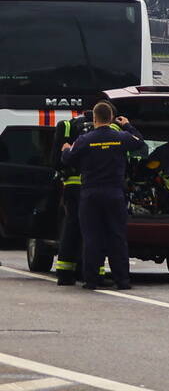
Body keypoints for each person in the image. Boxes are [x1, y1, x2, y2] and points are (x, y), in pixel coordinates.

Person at [66, 101, 145, 290]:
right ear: (111, 119)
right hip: (114, 194)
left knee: (92, 237)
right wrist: (127, 124)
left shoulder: (85, 140)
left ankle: (92, 280)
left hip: (90, 195)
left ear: (94, 118)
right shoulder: (121, 137)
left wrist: (65, 149)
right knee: (117, 237)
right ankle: (122, 280)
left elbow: (69, 159)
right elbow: (139, 141)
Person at [53, 106, 93, 284]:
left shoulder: (66, 126)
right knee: (92, 230)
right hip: (91, 186)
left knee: (71, 228)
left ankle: (64, 273)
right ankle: (89, 272)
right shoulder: (102, 131)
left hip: (71, 186)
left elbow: (57, 161)